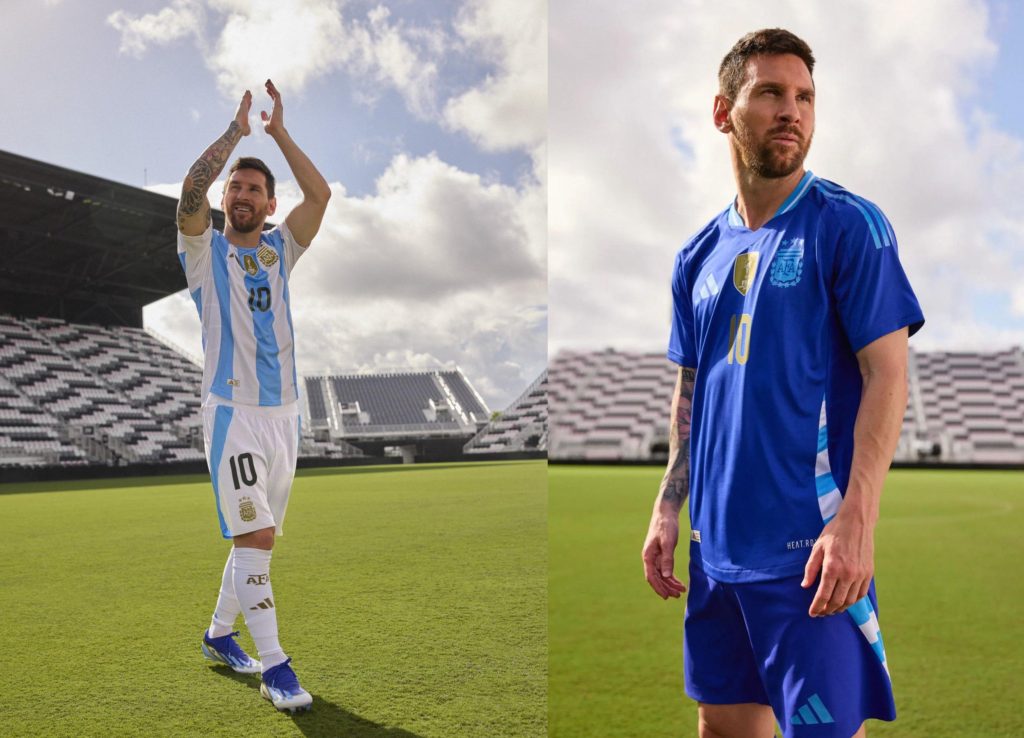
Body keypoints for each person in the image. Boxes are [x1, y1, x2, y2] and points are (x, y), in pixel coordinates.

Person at [641, 29, 924, 738]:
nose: (791, 110)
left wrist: (857, 520)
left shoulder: (848, 226)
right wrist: (668, 505)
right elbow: (692, 388)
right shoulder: (696, 256)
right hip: (716, 549)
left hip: (811, 552)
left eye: (803, 96)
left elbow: (886, 371)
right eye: (769, 92)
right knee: (723, 730)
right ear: (722, 112)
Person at [177, 79, 331, 713]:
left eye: (252, 190)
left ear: (269, 205)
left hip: (284, 418)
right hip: (231, 414)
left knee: (256, 537)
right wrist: (236, 136)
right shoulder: (201, 250)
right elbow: (189, 192)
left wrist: (280, 136)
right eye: (233, 188)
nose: (239, 195)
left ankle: (218, 634)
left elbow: (321, 195)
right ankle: (276, 667)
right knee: (257, 539)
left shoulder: (279, 249)